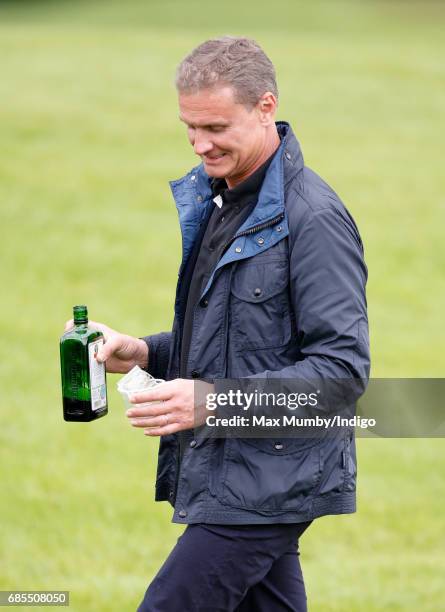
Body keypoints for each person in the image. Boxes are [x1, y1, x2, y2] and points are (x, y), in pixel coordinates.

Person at [65, 37, 370, 611]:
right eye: (189, 128)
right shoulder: (225, 201)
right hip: (240, 473)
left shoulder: (314, 219)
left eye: (215, 127)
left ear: (265, 108)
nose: (200, 144)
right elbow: (242, 339)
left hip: (273, 476)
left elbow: (340, 375)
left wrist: (209, 403)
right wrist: (145, 352)